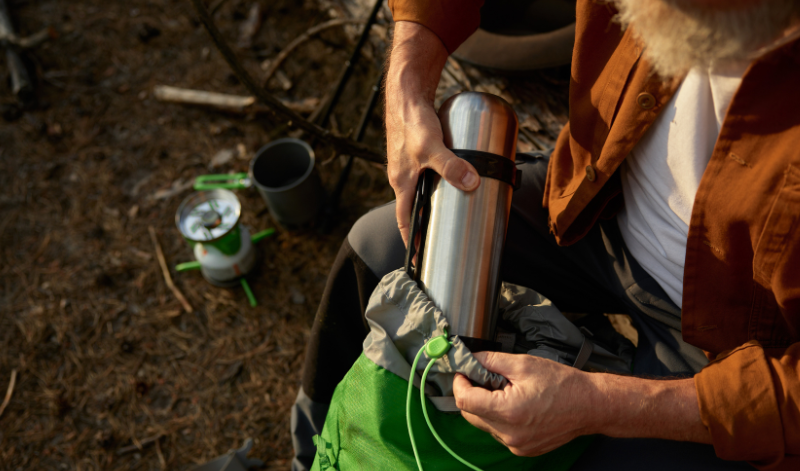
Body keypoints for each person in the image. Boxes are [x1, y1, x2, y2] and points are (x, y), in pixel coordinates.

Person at [291, 0, 800, 469]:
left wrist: (602, 405)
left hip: (740, 344)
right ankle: (318, 451)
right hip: (593, 199)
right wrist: (406, 83)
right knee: (378, 246)